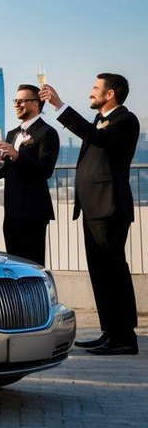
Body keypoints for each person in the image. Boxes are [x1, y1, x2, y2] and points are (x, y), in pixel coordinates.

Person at [42, 74, 139, 356]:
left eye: (96, 89)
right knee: (100, 273)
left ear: (110, 94)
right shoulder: (99, 120)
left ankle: (125, 337)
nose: (91, 93)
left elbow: (96, 137)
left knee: (114, 271)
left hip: (109, 206)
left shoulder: (125, 119)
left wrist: (59, 106)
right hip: (93, 207)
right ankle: (110, 332)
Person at [0, 84, 60, 266]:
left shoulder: (47, 133)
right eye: (16, 101)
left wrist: (16, 155)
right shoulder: (12, 133)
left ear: (36, 103)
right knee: (14, 265)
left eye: (22, 101)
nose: (17, 105)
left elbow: (46, 170)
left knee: (33, 264)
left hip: (33, 212)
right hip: (11, 212)